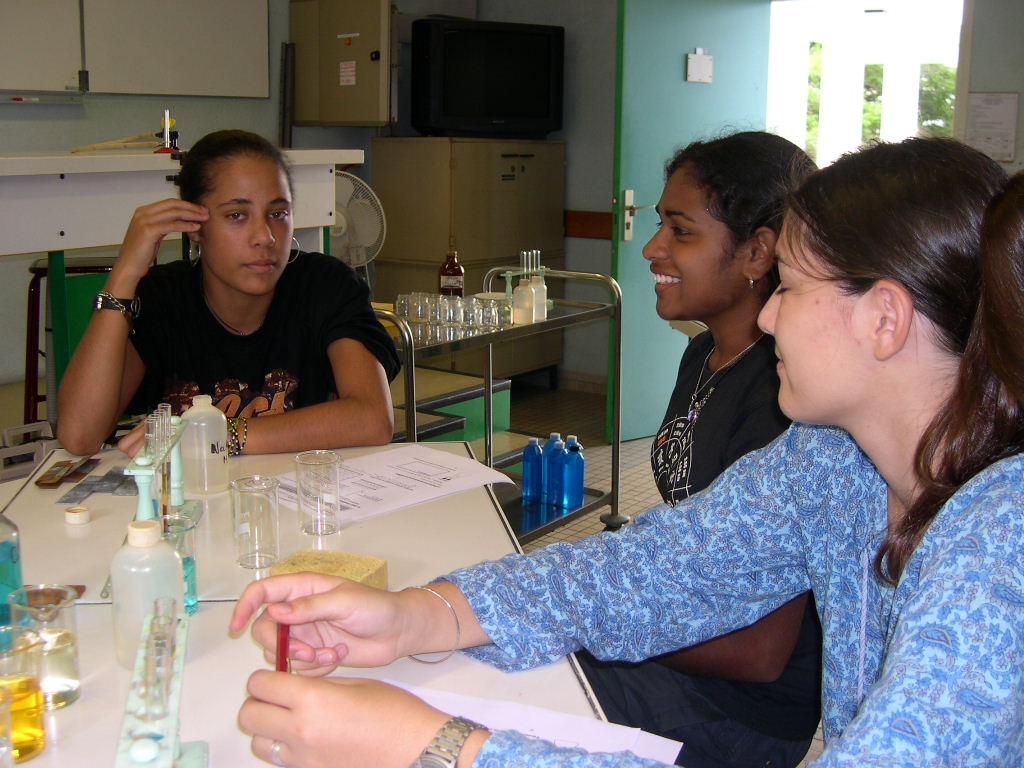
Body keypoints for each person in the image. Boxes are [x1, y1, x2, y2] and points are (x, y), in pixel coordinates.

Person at [230, 137, 1021, 768]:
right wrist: (418, 615)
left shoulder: (1001, 543)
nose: (769, 317)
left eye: (791, 288)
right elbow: (656, 568)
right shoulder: (833, 460)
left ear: (884, 320)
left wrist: (438, 748)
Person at [579, 132, 820, 768]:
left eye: (681, 231)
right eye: (660, 224)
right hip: (687, 639)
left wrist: (594, 623)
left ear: (757, 252)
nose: (651, 248)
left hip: (738, 712)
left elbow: (759, 653)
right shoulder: (705, 352)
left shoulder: (781, 397)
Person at [57, 130, 400, 457]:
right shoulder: (163, 297)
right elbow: (80, 436)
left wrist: (221, 435)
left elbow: (372, 418)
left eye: (278, 213)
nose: (265, 236)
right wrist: (125, 274)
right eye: (237, 215)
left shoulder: (324, 284)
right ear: (194, 226)